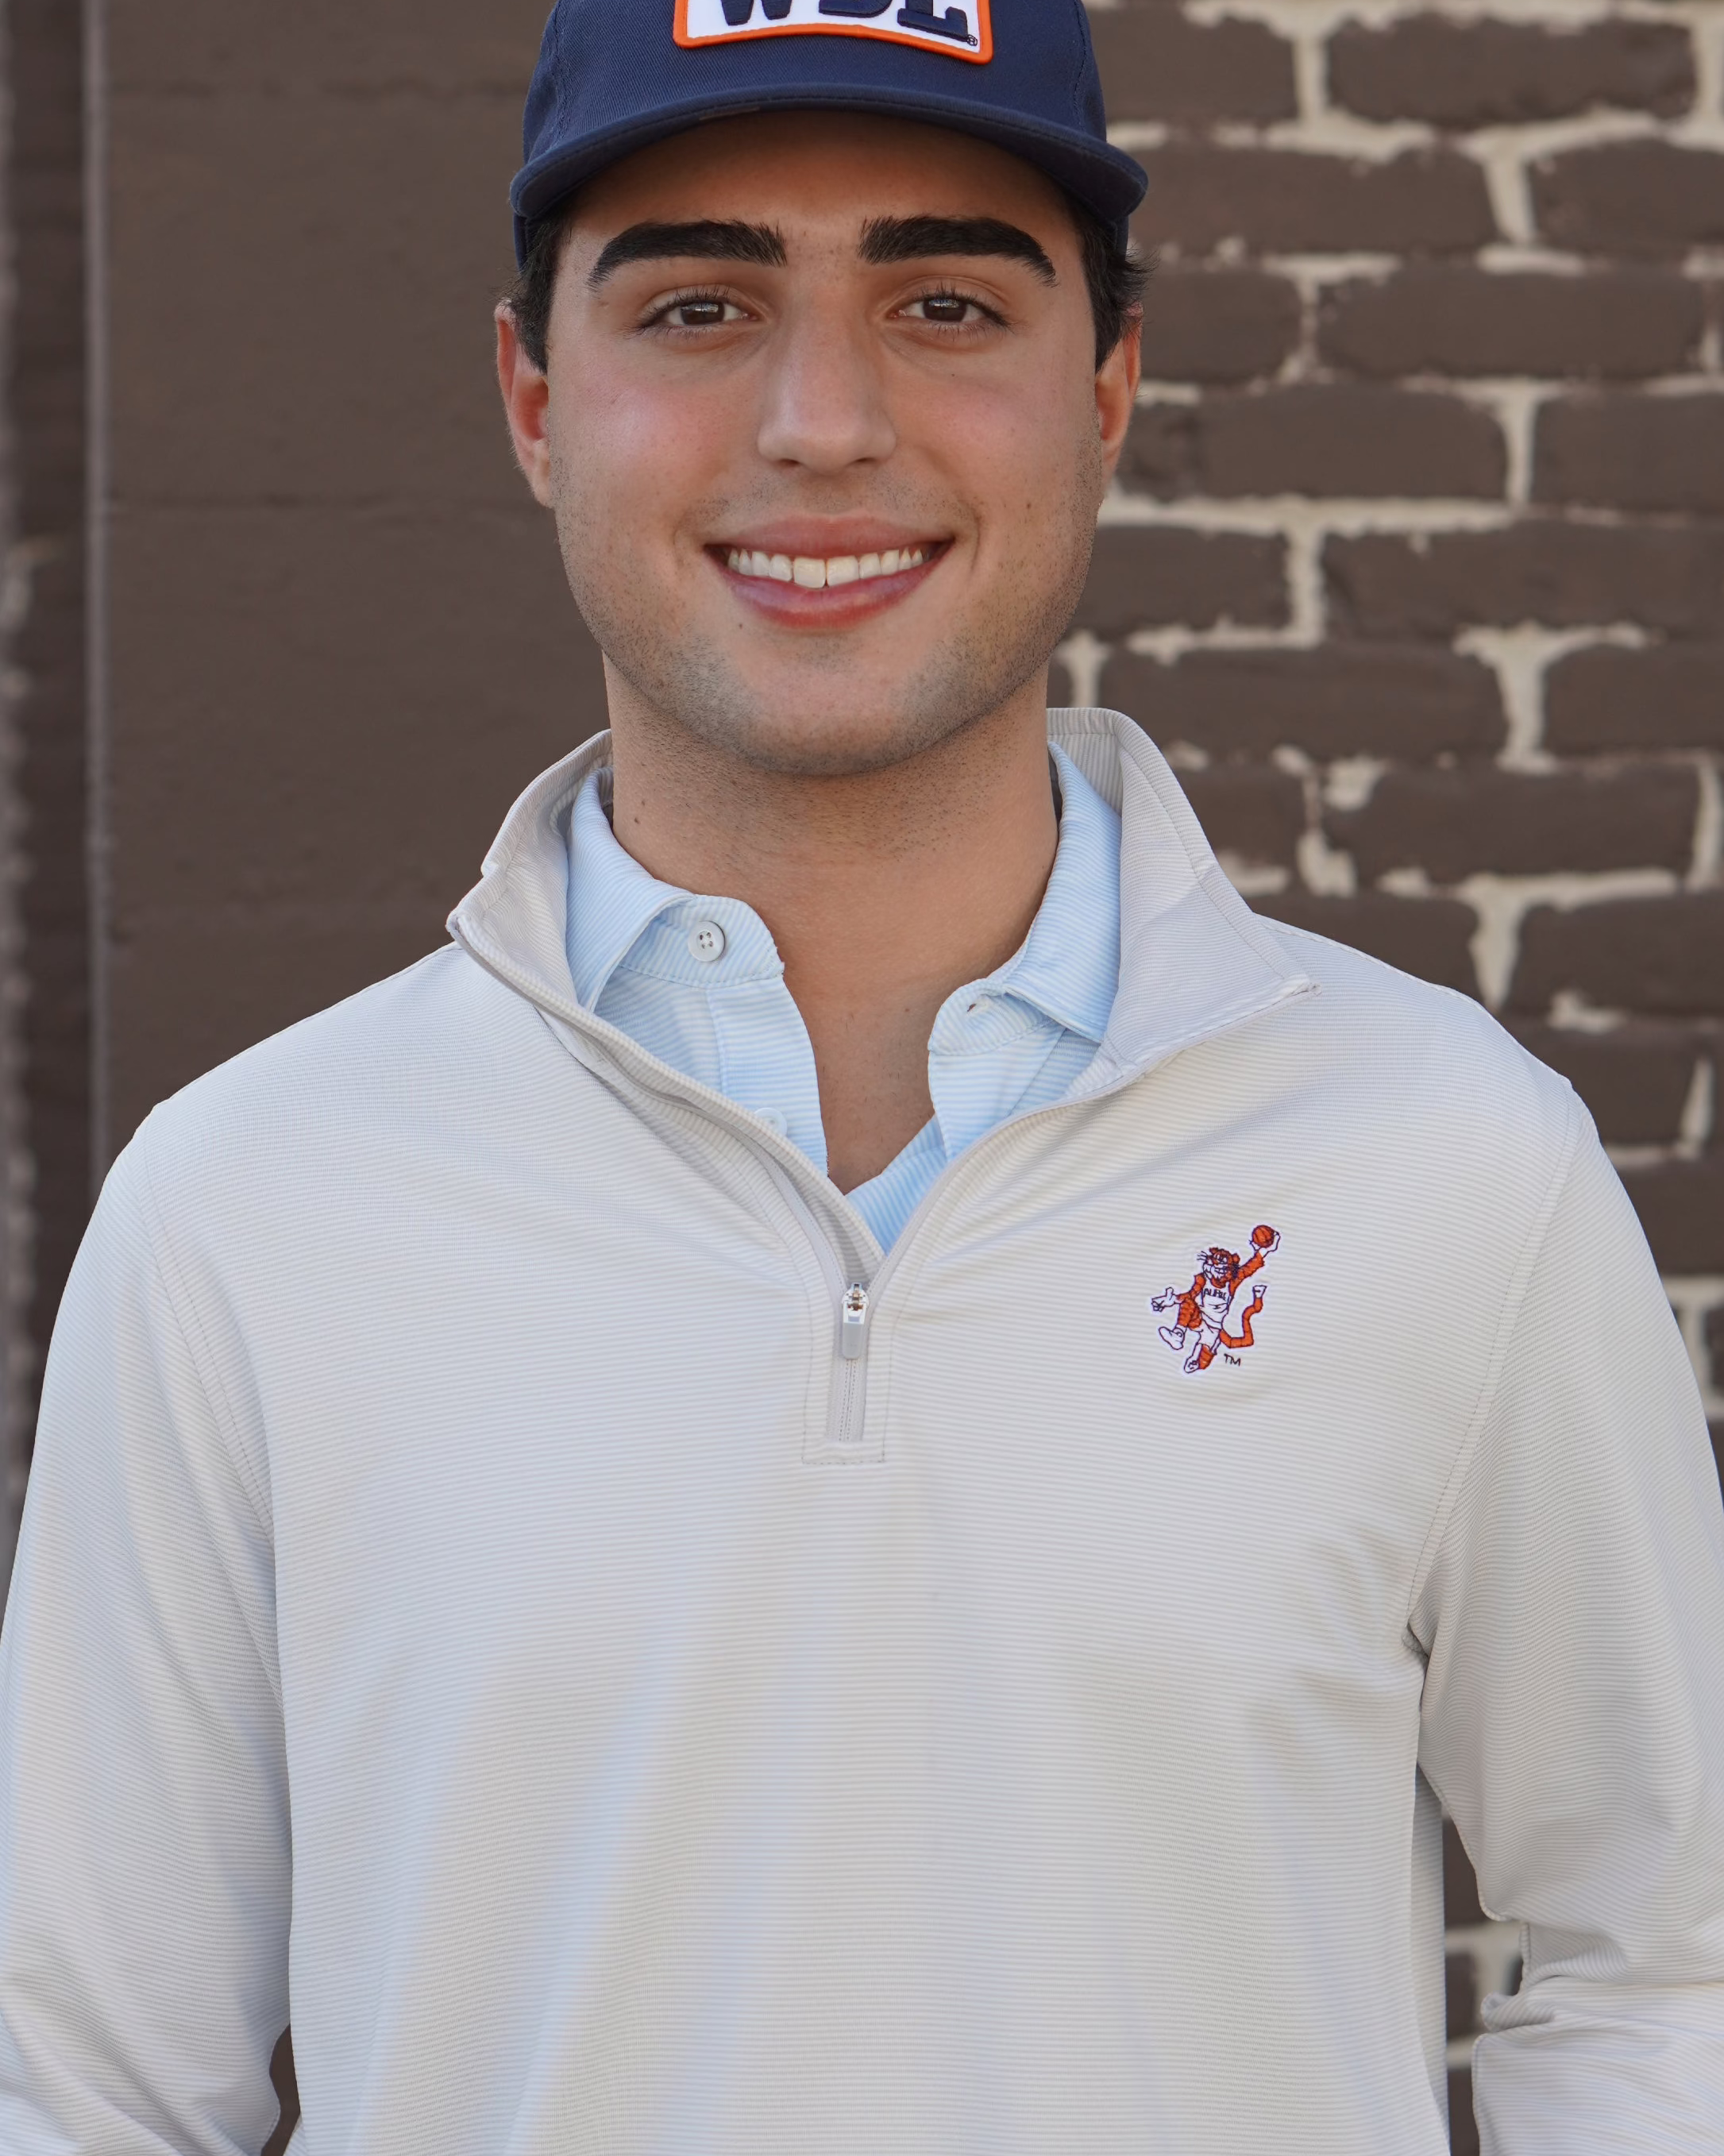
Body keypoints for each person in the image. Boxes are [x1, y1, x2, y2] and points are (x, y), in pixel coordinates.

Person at [2, 2, 1722, 2149]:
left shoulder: (1450, 1164)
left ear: (1107, 389)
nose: (823, 424)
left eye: (945, 303)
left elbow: (1666, 1965)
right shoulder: (248, 1209)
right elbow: (81, 2088)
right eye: (700, 306)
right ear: (535, 400)